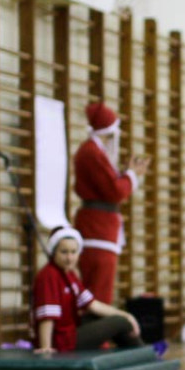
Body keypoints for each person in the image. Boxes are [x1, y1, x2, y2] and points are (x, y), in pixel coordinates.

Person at [73, 102, 151, 305]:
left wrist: (128, 175)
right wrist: (132, 175)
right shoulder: (92, 152)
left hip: (100, 227)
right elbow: (115, 191)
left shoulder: (93, 152)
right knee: (99, 293)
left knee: (98, 290)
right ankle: (98, 336)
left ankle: (99, 335)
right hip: (97, 229)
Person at [33, 226, 145, 354]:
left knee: (114, 318)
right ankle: (144, 354)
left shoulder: (70, 275)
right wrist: (46, 347)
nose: (69, 257)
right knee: (121, 322)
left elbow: (93, 305)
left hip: (71, 331)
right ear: (54, 252)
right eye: (64, 252)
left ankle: (140, 354)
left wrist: (127, 315)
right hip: (62, 341)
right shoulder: (49, 275)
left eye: (73, 252)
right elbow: (47, 316)